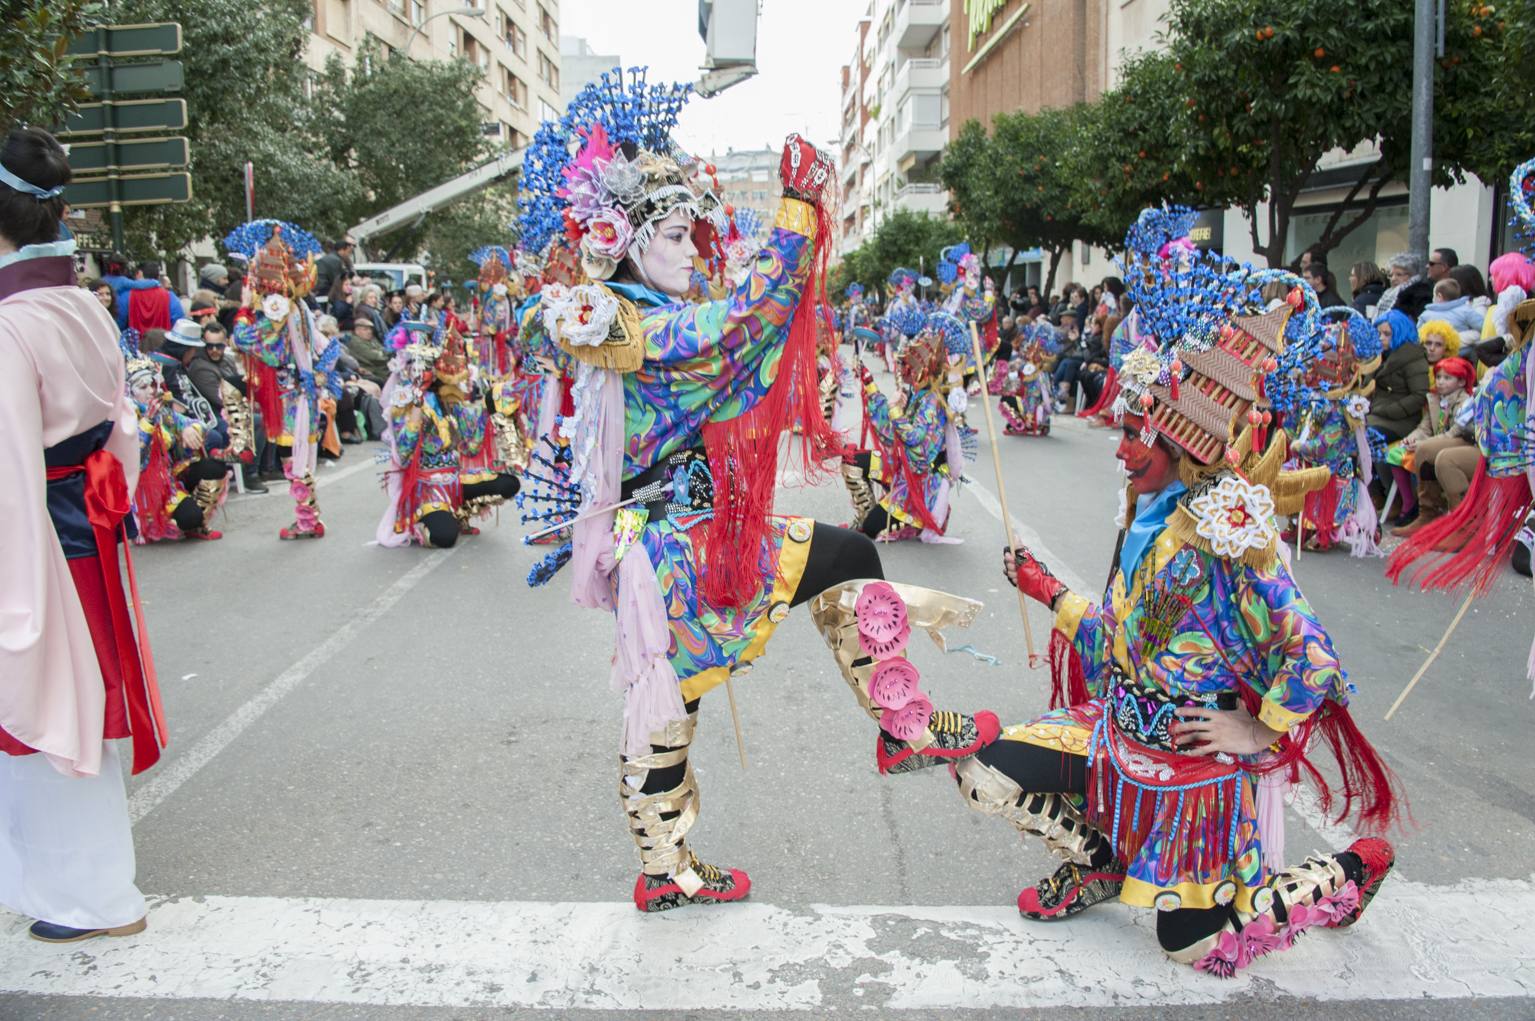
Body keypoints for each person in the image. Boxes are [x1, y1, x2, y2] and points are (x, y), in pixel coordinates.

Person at [512, 70, 994, 912]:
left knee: (672, 696)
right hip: (669, 541)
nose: (692, 249)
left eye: (694, 232)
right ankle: (903, 726)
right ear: (625, 242)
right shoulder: (638, 329)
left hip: (654, 536)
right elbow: (745, 320)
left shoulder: (617, 317)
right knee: (840, 557)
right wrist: (798, 211)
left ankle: (666, 866)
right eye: (673, 234)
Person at [939, 234, 1399, 976]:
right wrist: (1046, 591)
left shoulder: (1227, 538)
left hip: (1192, 777)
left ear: (1182, 446)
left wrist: (1255, 726)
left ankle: (1346, 874)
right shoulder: (1147, 521)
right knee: (981, 770)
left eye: (1134, 436)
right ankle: (1099, 858)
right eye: (1121, 432)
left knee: (1191, 943)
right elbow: (1123, 644)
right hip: (1113, 740)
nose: (1119, 451)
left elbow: (1312, 656)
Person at [0, 125, 167, 944]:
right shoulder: (82, 304)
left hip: (31, 535)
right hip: (83, 529)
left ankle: (85, 897)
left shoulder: (10, 323)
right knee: (80, 707)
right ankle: (76, 888)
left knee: (44, 709)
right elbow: (122, 423)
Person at [228, 220, 343, 539]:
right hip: (304, 392)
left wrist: (241, 311)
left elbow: (247, 340)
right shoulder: (302, 309)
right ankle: (310, 517)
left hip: (289, 396)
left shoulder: (279, 313)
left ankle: (307, 520)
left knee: (292, 457)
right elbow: (330, 346)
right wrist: (319, 375)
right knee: (300, 456)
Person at [1291, 307, 1386, 553]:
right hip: (1308, 462)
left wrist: (1303, 447)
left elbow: (1328, 441)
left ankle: (1325, 531)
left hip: (1330, 466)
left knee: (1326, 497)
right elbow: (1297, 423)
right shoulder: (1312, 398)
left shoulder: (1342, 408)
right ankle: (1302, 526)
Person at [1391, 355, 1477, 537]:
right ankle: (1428, 512)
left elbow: (1455, 432)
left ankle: (1460, 522)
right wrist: (1412, 439)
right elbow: (1425, 427)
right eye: (1438, 377)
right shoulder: (1434, 399)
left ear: (1462, 381)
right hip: (1440, 441)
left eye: (1447, 378)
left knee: (1428, 451)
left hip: (1462, 441)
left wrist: (1423, 443)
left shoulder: (1465, 401)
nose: (1440, 382)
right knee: (1414, 449)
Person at [1366, 309, 1430, 442]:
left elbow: (1419, 395)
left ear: (1400, 333)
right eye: (1378, 333)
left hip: (1399, 421)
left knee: (1363, 440)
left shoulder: (1412, 357)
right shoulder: (1377, 355)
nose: (1380, 338)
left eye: (1387, 334)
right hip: (1375, 414)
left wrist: (1388, 411)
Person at [1418, 278, 1483, 342]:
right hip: (1462, 350)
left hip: (1434, 350)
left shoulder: (1425, 315)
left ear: (1439, 296)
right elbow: (1482, 327)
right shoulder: (1466, 310)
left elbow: (1420, 335)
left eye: (1434, 296)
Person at [1376, 252, 1433, 321]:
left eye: (1399, 274)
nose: (1393, 279)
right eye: (1391, 275)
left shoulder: (1419, 294)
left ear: (1412, 275)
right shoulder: (1388, 293)